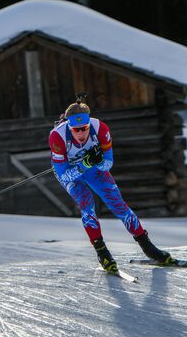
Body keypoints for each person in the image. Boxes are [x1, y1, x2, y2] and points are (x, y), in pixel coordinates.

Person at [48, 99, 173, 272]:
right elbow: (64, 175)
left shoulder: (100, 129)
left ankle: (148, 247)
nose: (81, 133)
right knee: (87, 203)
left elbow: (108, 164)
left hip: (92, 169)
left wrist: (98, 161)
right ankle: (102, 252)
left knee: (118, 204)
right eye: (76, 130)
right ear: (69, 127)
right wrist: (85, 164)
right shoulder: (57, 136)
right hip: (70, 172)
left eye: (84, 128)